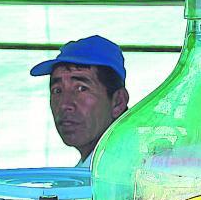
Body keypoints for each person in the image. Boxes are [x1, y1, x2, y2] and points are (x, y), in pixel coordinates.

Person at [30, 35, 130, 168]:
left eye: (81, 88)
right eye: (57, 91)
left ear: (118, 101)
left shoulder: (135, 168)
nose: (65, 104)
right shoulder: (92, 167)